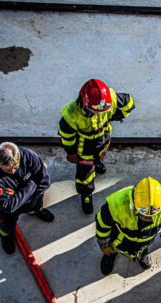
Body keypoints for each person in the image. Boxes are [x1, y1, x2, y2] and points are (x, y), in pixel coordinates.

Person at [58, 79, 135, 214]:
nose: (99, 113)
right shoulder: (70, 115)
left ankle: (97, 163)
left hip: (103, 136)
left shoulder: (109, 99)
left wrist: (114, 116)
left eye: (102, 110)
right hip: (84, 144)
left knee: (100, 154)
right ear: (84, 103)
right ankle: (86, 193)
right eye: (95, 111)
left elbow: (129, 103)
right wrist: (71, 153)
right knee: (85, 171)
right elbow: (67, 137)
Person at [96, 177, 161, 274]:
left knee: (144, 246)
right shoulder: (115, 205)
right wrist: (104, 245)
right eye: (143, 211)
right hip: (121, 239)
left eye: (154, 211)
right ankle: (111, 254)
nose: (147, 217)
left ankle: (142, 253)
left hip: (147, 238)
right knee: (114, 247)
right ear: (134, 200)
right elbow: (102, 226)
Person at [0, 142, 53, 254]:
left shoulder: (29, 157)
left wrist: (18, 194)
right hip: (10, 211)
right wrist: (32, 184)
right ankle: (6, 237)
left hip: (34, 199)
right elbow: (8, 206)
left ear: (19, 156)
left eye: (15, 167)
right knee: (6, 224)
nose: (13, 172)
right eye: (7, 170)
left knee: (37, 205)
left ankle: (36, 211)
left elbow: (45, 182)